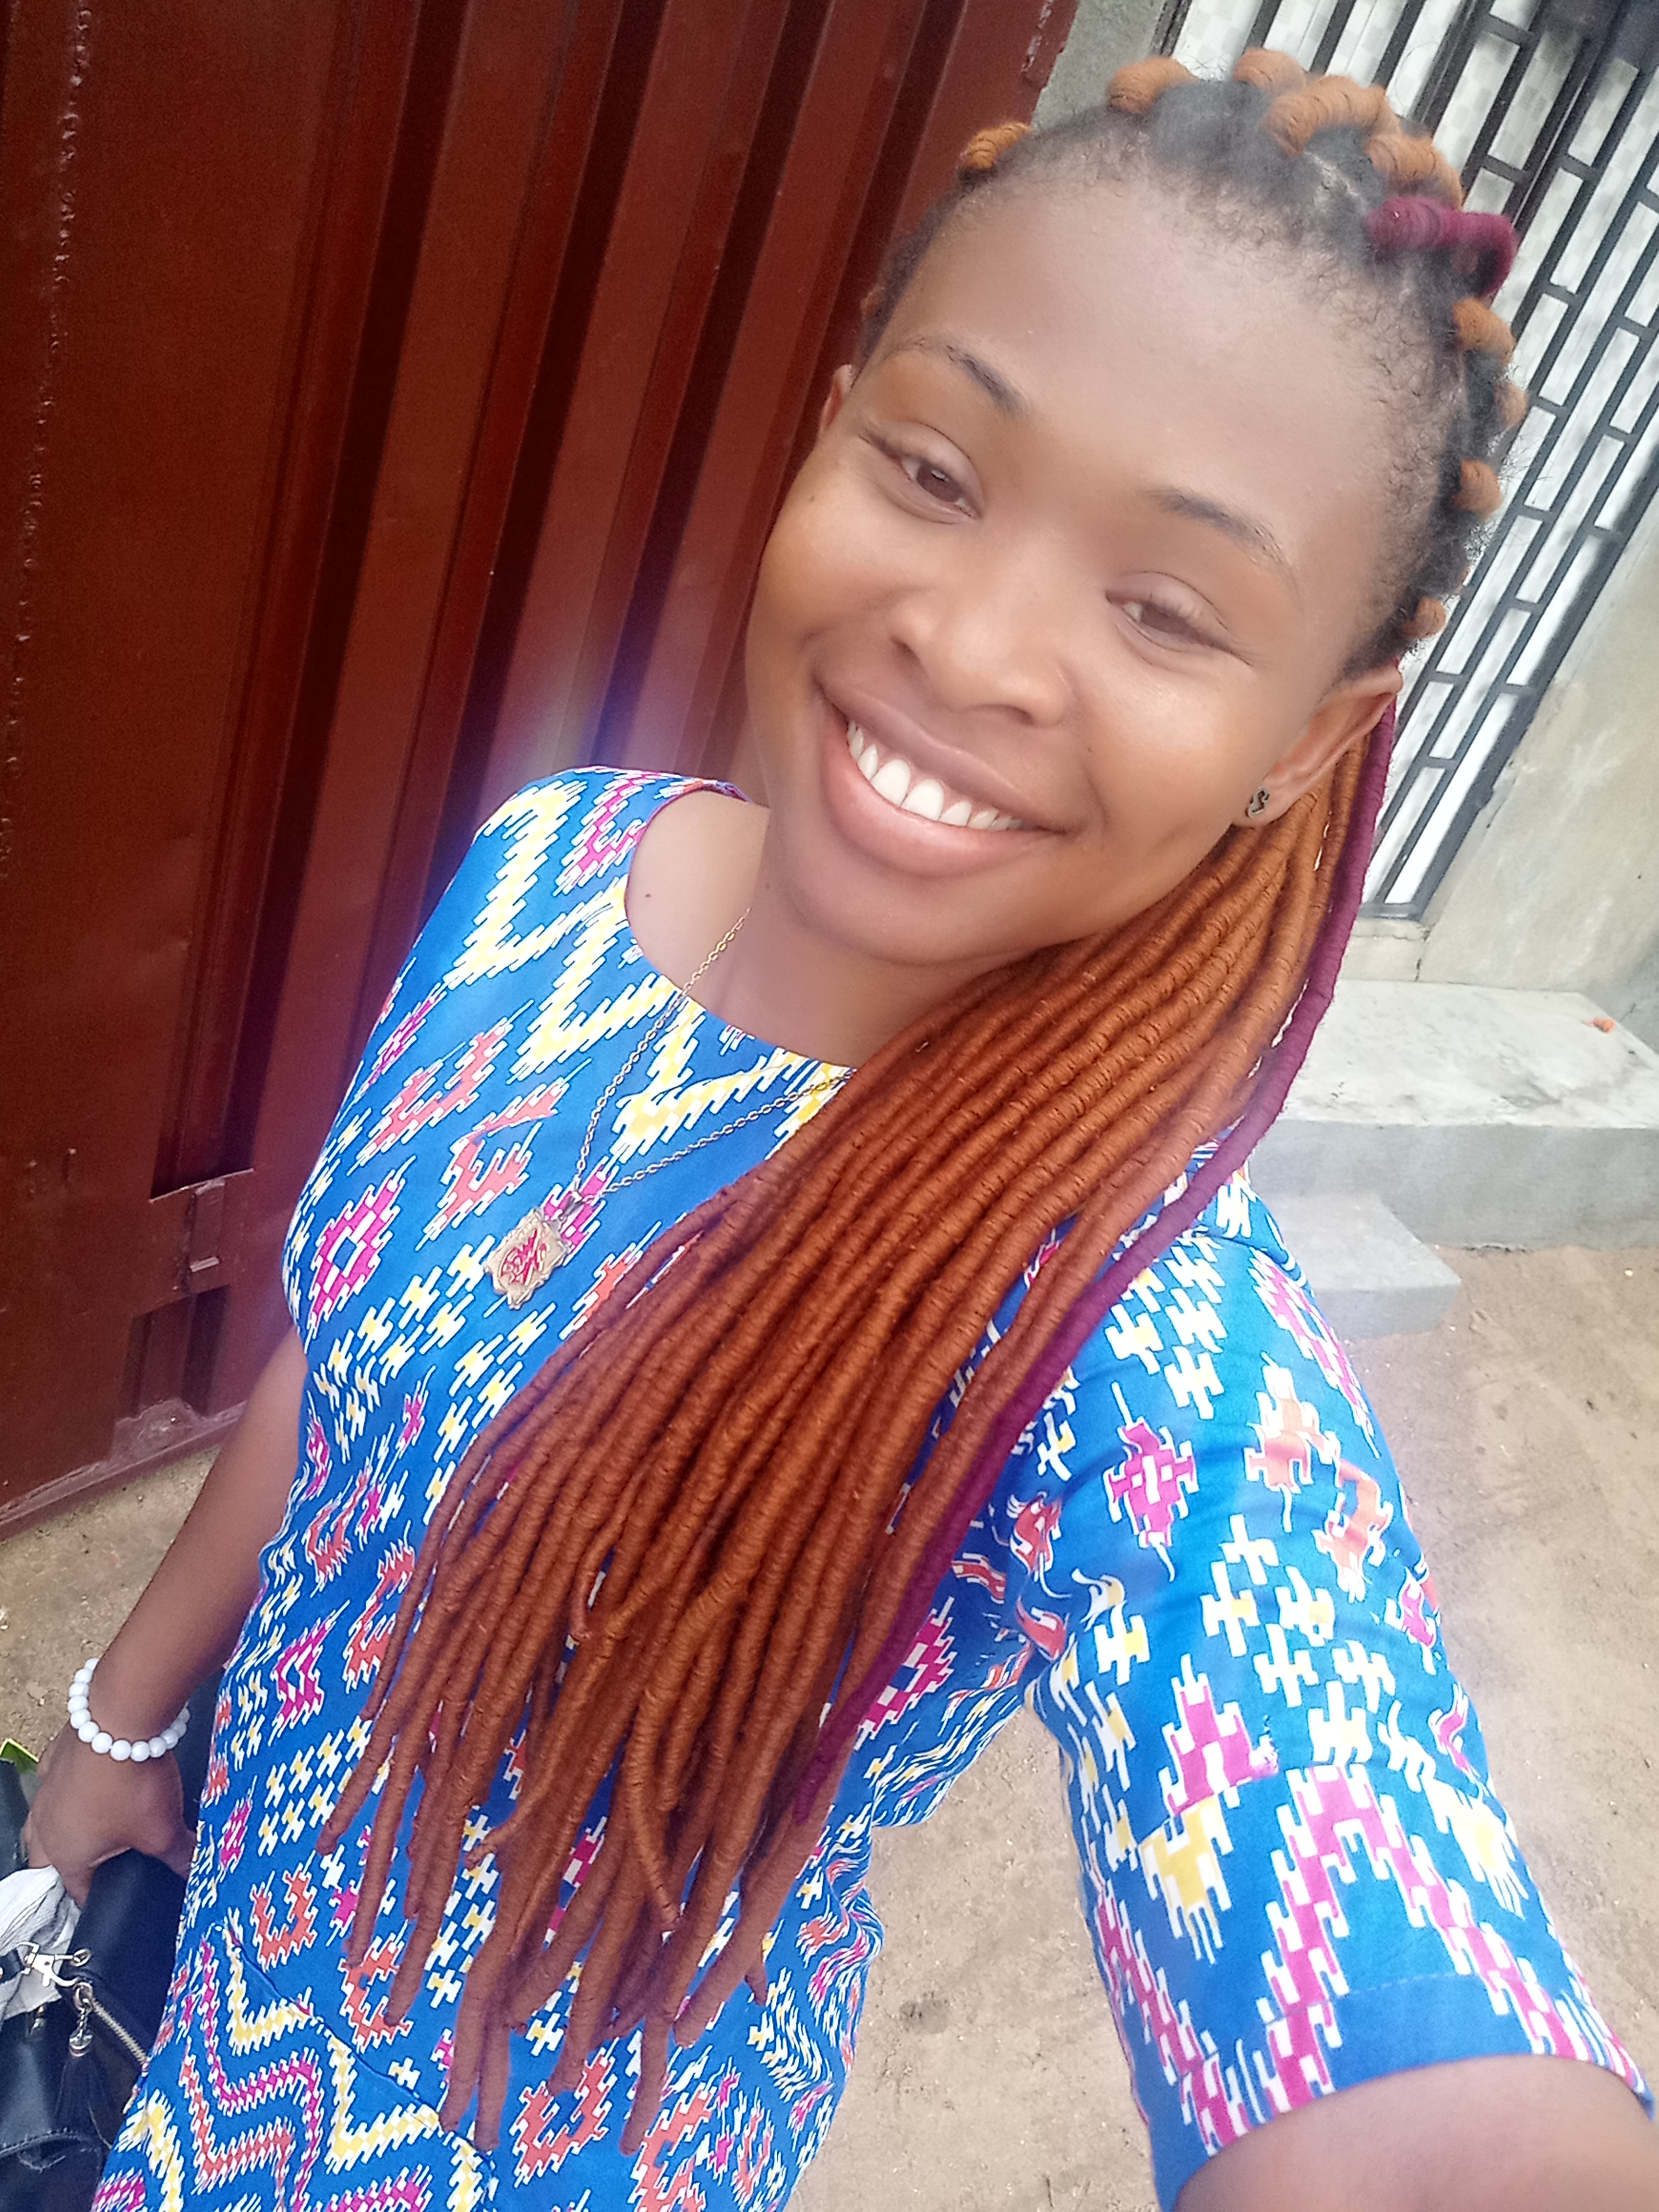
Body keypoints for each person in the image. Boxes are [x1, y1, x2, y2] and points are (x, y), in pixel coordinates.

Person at [26, 52, 1657, 2212]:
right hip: (200, 1973)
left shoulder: (1131, 1330)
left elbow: (1401, 2025)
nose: (970, 645)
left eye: (1166, 611)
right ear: (830, 426)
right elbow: (344, 1351)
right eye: (936, 470)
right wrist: (127, 1719)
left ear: (1311, 737)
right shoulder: (548, 866)